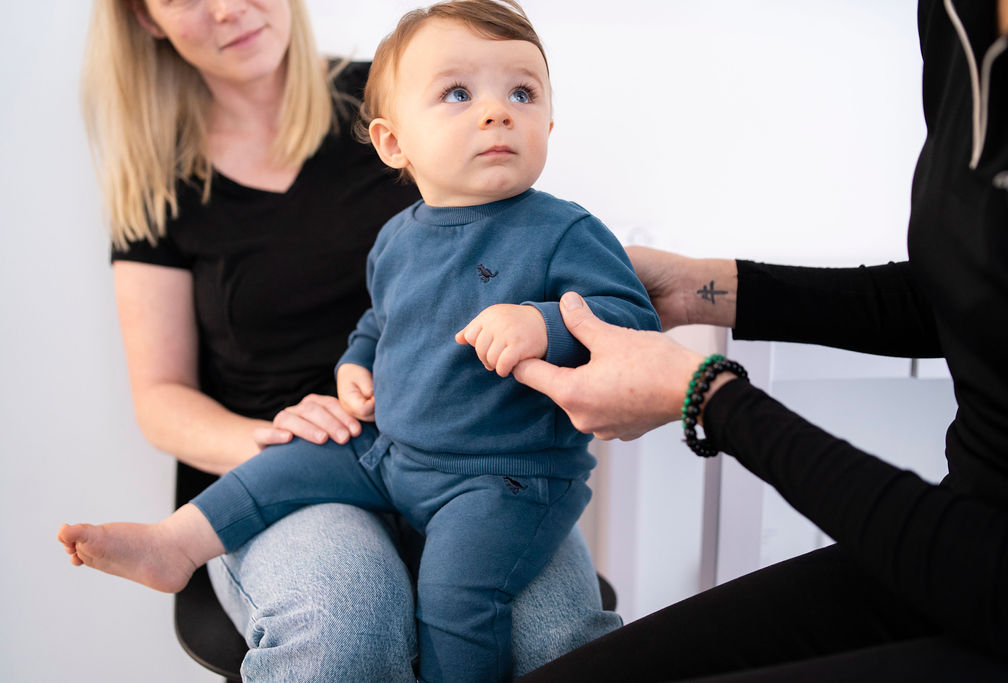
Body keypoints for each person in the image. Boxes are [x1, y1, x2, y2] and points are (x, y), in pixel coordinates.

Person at [58, 1, 659, 681]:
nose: (227, 7)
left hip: (492, 465)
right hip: (351, 441)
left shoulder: (425, 85)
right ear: (392, 143)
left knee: (549, 637)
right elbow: (377, 319)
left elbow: (621, 321)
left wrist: (542, 322)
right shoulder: (385, 221)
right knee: (340, 619)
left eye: (519, 95)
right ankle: (175, 542)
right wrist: (335, 384)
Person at [511, 1, 1008, 680]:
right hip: (952, 538)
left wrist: (705, 395)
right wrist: (701, 288)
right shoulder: (959, 19)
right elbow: (973, 287)